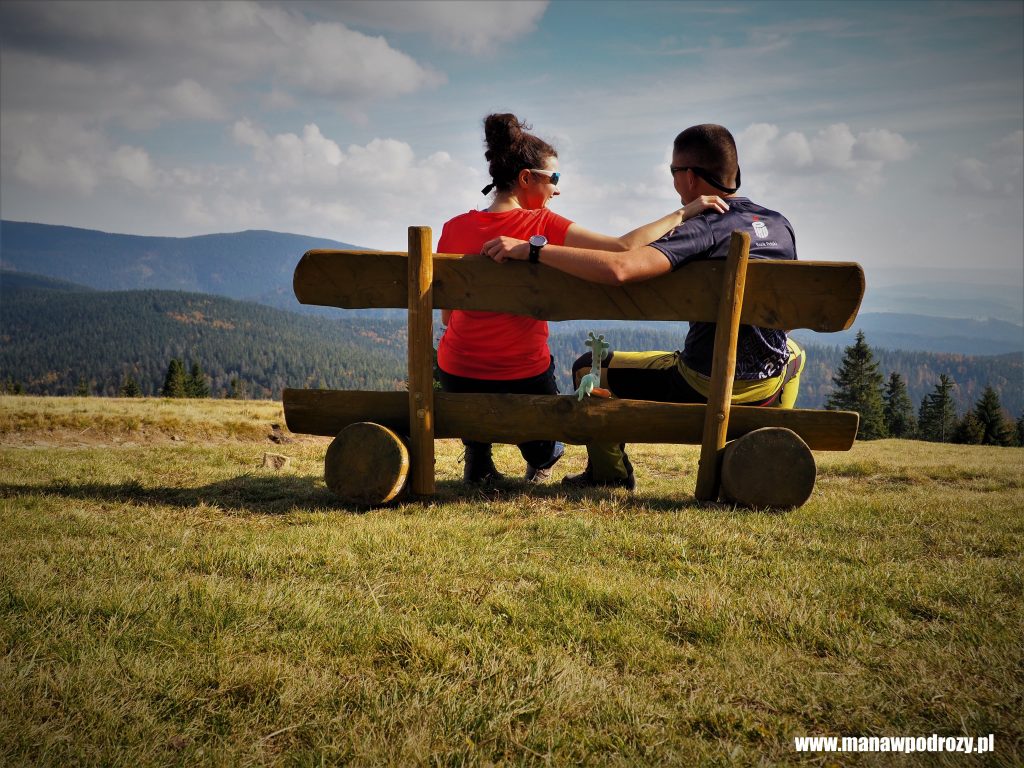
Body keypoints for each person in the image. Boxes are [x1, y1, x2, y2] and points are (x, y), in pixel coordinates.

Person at [482, 123, 805, 490]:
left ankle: (610, 475)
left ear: (688, 177)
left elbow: (622, 268)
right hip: (769, 379)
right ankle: (773, 434)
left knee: (589, 366)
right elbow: (786, 320)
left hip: (703, 382)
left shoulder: (704, 227)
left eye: (673, 172)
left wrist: (533, 248)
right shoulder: (780, 225)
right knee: (796, 351)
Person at [437, 114, 727, 485]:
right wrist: (685, 211)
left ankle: (478, 455)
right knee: (548, 449)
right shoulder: (540, 224)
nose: (557, 190)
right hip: (522, 374)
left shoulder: (452, 227)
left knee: (468, 368)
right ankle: (541, 455)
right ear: (527, 178)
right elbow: (623, 247)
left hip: (458, 373)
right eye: (553, 179)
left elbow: (446, 320)